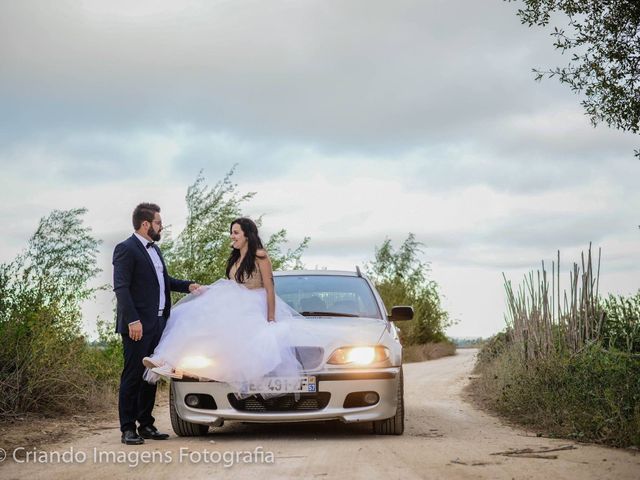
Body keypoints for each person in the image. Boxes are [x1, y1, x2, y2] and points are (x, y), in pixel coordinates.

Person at [142, 217, 303, 397]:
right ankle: (166, 362)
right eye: (231, 233)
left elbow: (270, 288)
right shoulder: (235, 258)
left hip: (253, 305)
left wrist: (271, 318)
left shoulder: (260, 256)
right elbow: (230, 285)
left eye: (236, 233)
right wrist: (206, 290)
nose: (232, 237)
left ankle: (173, 363)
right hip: (234, 302)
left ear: (247, 235)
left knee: (230, 340)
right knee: (189, 318)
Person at [113, 203, 201, 445]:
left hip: (160, 323)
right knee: (132, 375)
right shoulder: (126, 249)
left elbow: (164, 281)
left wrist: (188, 286)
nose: (161, 226)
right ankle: (128, 428)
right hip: (137, 325)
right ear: (146, 224)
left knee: (150, 375)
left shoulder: (155, 250)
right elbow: (121, 288)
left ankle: (146, 424)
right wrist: (133, 320)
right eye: (159, 223)